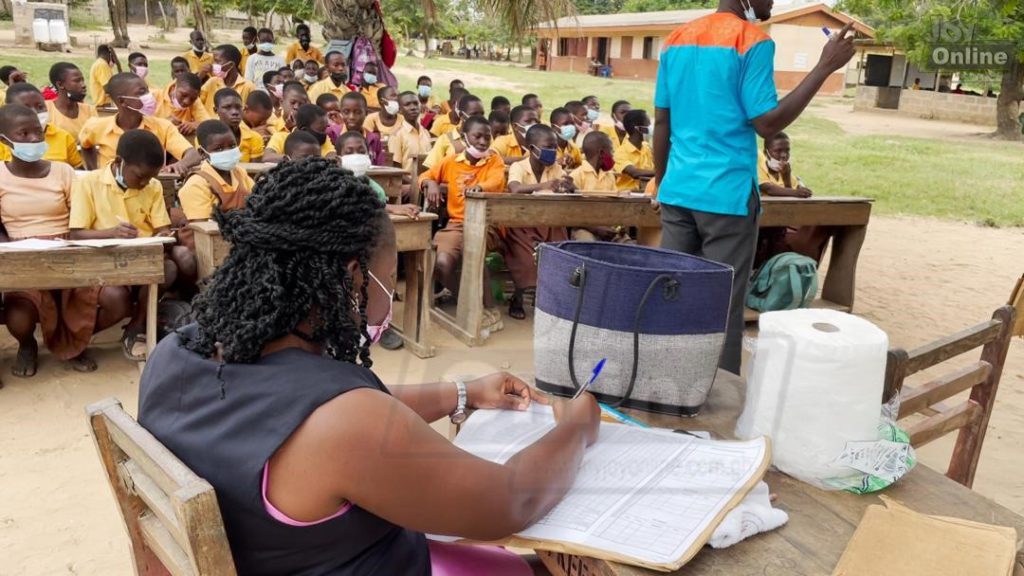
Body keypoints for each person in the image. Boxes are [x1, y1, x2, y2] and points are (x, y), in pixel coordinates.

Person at [137, 155, 599, 575]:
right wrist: (575, 429)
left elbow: (287, 419)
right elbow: (510, 502)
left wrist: (462, 393)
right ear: (355, 274)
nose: (392, 291)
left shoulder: (177, 351)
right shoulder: (344, 423)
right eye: (392, 270)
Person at [652, 0, 855, 374]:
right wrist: (825, 66)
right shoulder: (752, 41)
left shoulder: (676, 39)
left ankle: (666, 385)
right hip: (725, 196)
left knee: (674, 293)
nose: (773, 2)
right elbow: (767, 123)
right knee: (722, 304)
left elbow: (662, 121)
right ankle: (720, 402)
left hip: (678, 192)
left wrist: (661, 184)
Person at [0, 104, 129, 379]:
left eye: (38, 132)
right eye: (23, 134)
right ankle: (27, 345)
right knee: (18, 317)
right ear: (4, 140)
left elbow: (81, 218)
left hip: (71, 252)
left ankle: (73, 342)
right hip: (23, 258)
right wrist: (10, 252)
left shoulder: (63, 171)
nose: (34, 140)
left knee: (117, 299)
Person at [70, 129, 195, 359]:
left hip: (144, 258)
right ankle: (78, 339)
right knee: (122, 296)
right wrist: (111, 233)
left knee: (171, 266)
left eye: (150, 177)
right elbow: (76, 235)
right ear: (119, 162)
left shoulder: (152, 186)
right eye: (139, 176)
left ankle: (137, 327)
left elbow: (161, 227)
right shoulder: (89, 183)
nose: (145, 182)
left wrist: (164, 235)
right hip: (106, 260)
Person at [419, 115, 507, 332]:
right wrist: (430, 183)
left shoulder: (494, 160)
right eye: (477, 136)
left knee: (473, 249)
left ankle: (491, 309)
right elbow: (425, 175)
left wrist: (481, 187)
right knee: (442, 263)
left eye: (487, 137)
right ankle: (466, 300)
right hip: (458, 223)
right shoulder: (451, 161)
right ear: (465, 137)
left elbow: (497, 181)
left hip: (487, 224)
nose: (483, 142)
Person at [504, 124, 573, 319]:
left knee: (559, 256)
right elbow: (515, 189)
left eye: (555, 147)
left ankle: (550, 302)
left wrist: (567, 186)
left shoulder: (555, 168)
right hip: (521, 224)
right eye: (548, 146)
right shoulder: (519, 167)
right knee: (526, 261)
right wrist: (543, 185)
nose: (553, 151)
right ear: (533, 149)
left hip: (550, 221)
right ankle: (517, 297)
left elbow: (563, 188)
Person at [79, 73, 201, 174]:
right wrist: (93, 170)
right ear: (122, 101)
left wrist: (181, 164)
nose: (149, 96)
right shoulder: (95, 126)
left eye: (147, 91)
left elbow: (192, 154)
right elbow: (85, 145)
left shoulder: (163, 126)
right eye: (142, 92)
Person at [178, 119, 254, 223]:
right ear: (202, 153)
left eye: (232, 146)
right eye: (219, 149)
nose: (228, 152)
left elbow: (258, 202)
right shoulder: (196, 184)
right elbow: (202, 228)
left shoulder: (240, 173)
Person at [571, 131, 632, 243]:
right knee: (589, 244)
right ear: (602, 153)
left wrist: (618, 226)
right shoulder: (576, 176)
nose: (613, 155)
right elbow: (570, 214)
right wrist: (596, 228)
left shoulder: (609, 176)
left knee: (629, 245)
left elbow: (615, 206)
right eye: (611, 151)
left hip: (608, 226)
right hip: (584, 228)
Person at [1, 84, 81, 167]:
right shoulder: (3, 142)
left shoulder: (64, 137)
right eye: (25, 108)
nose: (35, 112)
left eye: (40, 107)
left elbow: (78, 171)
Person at [422, 93, 485, 169]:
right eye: (474, 114)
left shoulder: (487, 139)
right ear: (461, 115)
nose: (479, 118)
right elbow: (430, 169)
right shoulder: (445, 139)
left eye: (482, 114)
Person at [266, 103, 334, 162]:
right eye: (321, 130)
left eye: (325, 129)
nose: (325, 133)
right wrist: (293, 160)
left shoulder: (323, 140)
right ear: (304, 130)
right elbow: (267, 157)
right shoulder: (280, 137)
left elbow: (333, 157)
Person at [200, 44, 256, 115]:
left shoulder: (248, 86)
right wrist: (200, 75)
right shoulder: (212, 81)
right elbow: (196, 101)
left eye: (217, 61)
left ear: (231, 64)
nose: (213, 64)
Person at [46, 62, 96, 139]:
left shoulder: (90, 110)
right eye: (77, 81)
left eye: (83, 80)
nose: (83, 85)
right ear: (60, 85)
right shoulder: (46, 109)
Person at [214, 88, 265, 163]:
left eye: (238, 107)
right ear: (216, 110)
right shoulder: (206, 137)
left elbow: (255, 172)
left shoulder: (254, 138)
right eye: (227, 107)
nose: (235, 112)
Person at [155, 72, 210, 139]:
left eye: (192, 99)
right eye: (183, 95)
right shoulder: (153, 97)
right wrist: (164, 123)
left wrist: (195, 125)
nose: (186, 102)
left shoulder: (195, 100)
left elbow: (209, 124)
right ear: (173, 87)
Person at [388, 91, 432, 174]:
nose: (413, 107)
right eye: (407, 104)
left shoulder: (425, 132)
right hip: (408, 184)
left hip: (427, 181)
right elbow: (396, 171)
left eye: (416, 103)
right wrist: (414, 182)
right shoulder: (397, 136)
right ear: (400, 110)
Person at [337, 92, 384, 165]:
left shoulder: (374, 139)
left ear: (366, 113)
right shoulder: (332, 134)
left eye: (358, 112)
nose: (351, 117)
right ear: (341, 112)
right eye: (346, 112)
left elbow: (380, 166)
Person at [613, 109, 655, 192]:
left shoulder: (647, 148)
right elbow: (635, 173)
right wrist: (660, 173)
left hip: (646, 193)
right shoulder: (621, 153)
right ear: (637, 128)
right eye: (648, 124)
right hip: (626, 198)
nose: (651, 128)